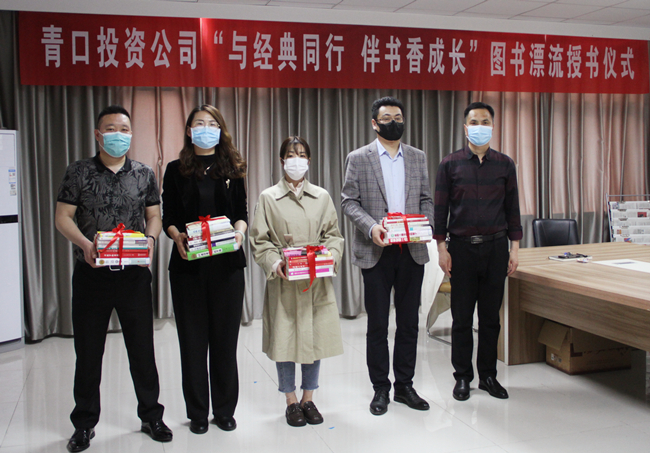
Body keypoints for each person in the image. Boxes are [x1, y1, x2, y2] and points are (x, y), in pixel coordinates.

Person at [55, 105, 172, 452]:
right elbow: (63, 217)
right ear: (97, 134)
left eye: (124, 129)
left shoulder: (143, 173)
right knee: (88, 352)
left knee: (142, 350)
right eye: (110, 129)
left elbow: (154, 215)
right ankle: (84, 424)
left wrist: (151, 240)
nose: (117, 135)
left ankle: (151, 416)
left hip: (134, 275)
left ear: (131, 134)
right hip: (91, 275)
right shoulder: (79, 172)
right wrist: (85, 245)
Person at [341, 96, 434, 416]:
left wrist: (426, 225)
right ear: (374, 123)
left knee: (409, 323)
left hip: (412, 251)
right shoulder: (359, 158)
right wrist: (371, 228)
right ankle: (380, 387)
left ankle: (404, 386)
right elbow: (349, 201)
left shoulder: (418, 157)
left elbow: (426, 199)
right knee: (378, 324)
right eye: (387, 118)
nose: (393, 122)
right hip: (376, 251)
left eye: (398, 117)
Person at [161, 105, 247, 435]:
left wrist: (239, 234)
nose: (206, 128)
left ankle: (224, 410)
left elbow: (241, 213)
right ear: (189, 130)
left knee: (225, 342)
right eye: (199, 123)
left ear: (220, 130)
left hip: (227, 267)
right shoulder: (175, 169)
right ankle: (197, 412)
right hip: (188, 269)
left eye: (212, 123)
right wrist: (176, 236)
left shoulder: (232, 168)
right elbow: (169, 216)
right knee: (193, 343)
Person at [249, 136, 344, 427]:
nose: (297, 160)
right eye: (291, 155)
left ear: (309, 161)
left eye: (302, 155)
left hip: (315, 281)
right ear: (282, 161)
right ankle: (290, 401)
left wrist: (329, 257)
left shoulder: (322, 196)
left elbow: (334, 236)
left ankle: (308, 398)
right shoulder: (268, 198)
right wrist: (274, 262)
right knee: (285, 338)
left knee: (314, 338)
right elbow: (260, 240)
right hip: (284, 282)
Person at [434, 101, 522, 401]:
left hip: (496, 248)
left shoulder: (505, 165)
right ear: (465, 127)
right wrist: (442, 249)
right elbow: (440, 211)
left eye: (485, 122)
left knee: (490, 319)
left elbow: (512, 209)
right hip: (461, 249)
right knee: (461, 319)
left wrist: (515, 249)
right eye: (474, 122)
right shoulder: (450, 164)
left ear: (493, 127)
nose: (480, 127)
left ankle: (488, 376)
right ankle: (462, 377)